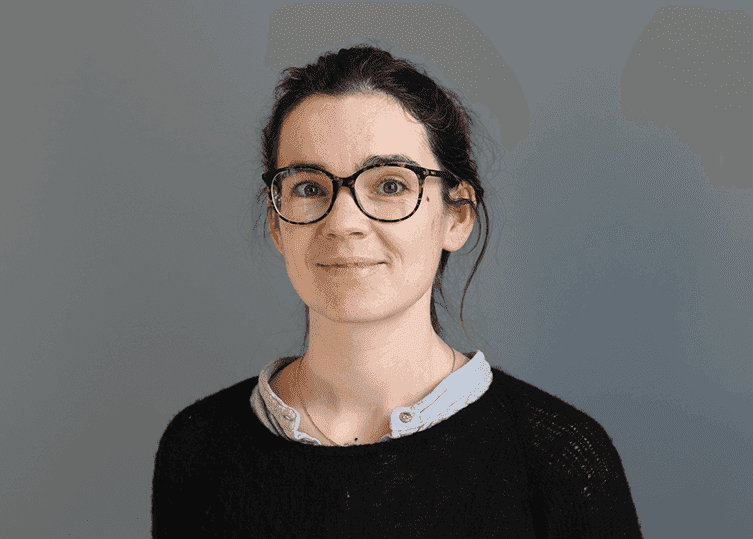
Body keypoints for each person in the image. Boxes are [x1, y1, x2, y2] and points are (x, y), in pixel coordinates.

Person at [151, 45, 643, 537]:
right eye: (309, 188)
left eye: (390, 185)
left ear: (457, 217)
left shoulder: (558, 457)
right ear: (277, 223)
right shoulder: (199, 447)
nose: (343, 222)